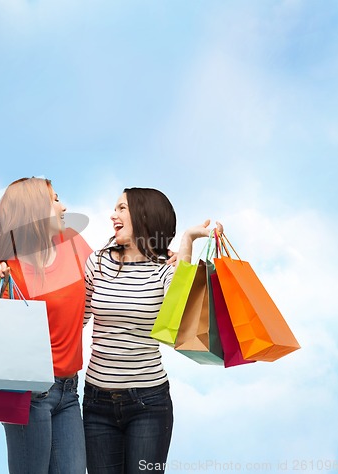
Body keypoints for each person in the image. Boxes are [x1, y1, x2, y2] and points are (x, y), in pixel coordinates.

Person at [83, 187, 221, 474]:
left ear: (143, 215)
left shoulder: (164, 268)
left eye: (121, 208)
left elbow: (179, 314)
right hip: (96, 402)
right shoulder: (97, 261)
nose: (113, 215)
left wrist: (188, 241)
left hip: (148, 403)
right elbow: (76, 319)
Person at [0, 177, 92, 474]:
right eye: (55, 200)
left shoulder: (74, 244)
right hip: (29, 395)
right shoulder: (11, 270)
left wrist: (157, 258)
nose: (63, 206)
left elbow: (104, 279)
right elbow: (4, 342)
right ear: (35, 211)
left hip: (69, 391)